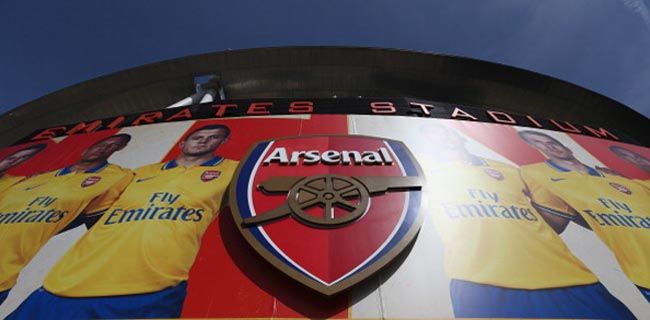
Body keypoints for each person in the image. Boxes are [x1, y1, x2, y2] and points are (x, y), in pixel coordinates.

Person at [8, 124, 238, 319]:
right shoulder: (133, 174)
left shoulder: (233, 170)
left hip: (153, 290)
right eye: (198, 137)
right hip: (66, 285)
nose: (203, 141)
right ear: (182, 143)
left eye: (213, 137)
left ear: (224, 141)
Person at [422, 124, 633, 319]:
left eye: (445, 131)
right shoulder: (422, 174)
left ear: (460, 136)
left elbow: (556, 219)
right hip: (481, 285)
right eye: (434, 135)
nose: (443, 137)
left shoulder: (514, 171)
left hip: (568, 278)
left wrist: (522, 230)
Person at [0, 134, 133, 307]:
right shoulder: (32, 180)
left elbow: (97, 224)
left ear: (119, 149)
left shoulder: (116, 176)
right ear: (86, 149)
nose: (104, 147)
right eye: (101, 144)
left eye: (112, 145)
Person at [519, 130, 650, 304]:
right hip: (644, 276)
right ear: (534, 147)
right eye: (538, 142)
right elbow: (550, 226)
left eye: (551, 140)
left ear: (566, 146)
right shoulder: (536, 174)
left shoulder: (629, 183)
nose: (549, 145)